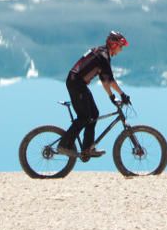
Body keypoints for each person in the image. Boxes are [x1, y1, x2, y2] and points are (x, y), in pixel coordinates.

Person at [56, 31, 131, 160]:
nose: (121, 50)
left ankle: (87, 149)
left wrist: (112, 97)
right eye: (120, 46)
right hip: (76, 83)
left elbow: (105, 79)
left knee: (94, 114)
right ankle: (63, 145)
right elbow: (110, 80)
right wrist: (122, 94)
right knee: (84, 117)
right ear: (113, 45)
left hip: (79, 83)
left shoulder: (103, 54)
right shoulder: (103, 55)